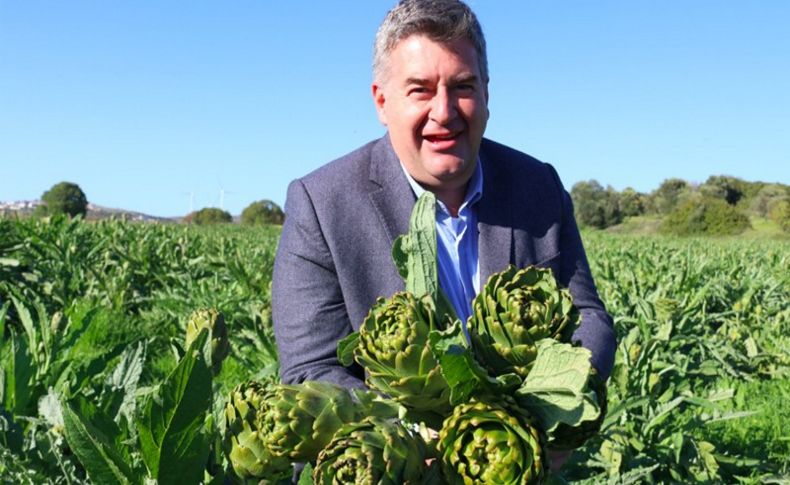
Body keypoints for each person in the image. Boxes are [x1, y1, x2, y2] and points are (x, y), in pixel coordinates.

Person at [273, 0, 615, 420]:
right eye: (420, 89)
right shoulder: (322, 205)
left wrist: (549, 413)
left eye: (463, 87)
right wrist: (414, 438)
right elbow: (310, 368)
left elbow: (588, 318)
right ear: (382, 102)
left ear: (487, 94)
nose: (444, 111)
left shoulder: (538, 186)